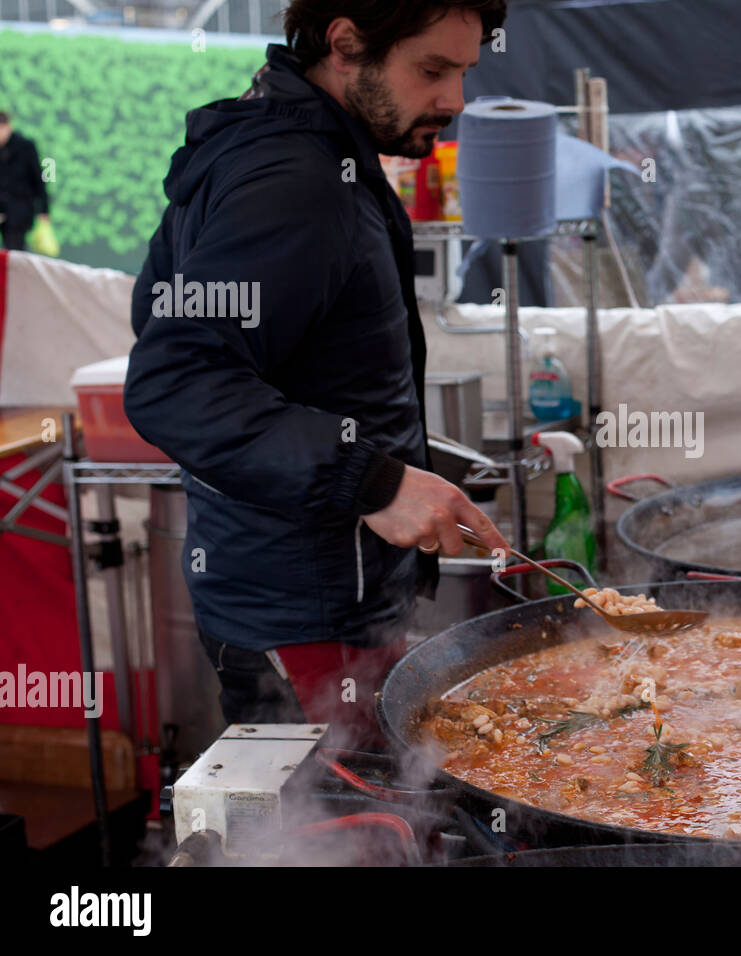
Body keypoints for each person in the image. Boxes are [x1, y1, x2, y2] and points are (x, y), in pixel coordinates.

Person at [124, 0, 510, 747]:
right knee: (341, 839)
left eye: (465, 71)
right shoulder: (297, 180)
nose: (454, 101)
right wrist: (374, 482)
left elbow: (199, 322)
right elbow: (176, 379)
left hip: (312, 593)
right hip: (307, 614)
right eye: (431, 69)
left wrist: (400, 459)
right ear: (344, 44)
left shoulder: (294, 144)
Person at [0, 111, 51, 251]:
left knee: (14, 252)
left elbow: (38, 179)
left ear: (7, 127)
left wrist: (44, 210)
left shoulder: (25, 147)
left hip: (18, 211)